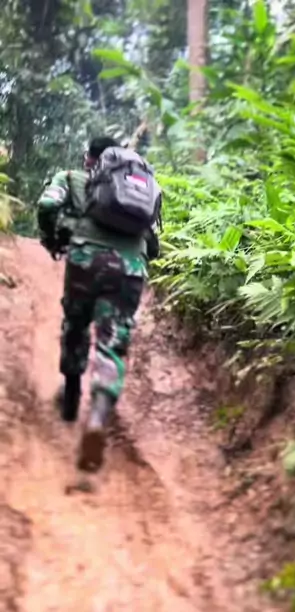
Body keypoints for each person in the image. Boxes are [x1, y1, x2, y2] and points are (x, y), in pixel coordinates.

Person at [37, 136, 160, 472]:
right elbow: (154, 244)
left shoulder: (73, 178)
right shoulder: (139, 186)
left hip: (85, 260)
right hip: (130, 269)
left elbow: (47, 205)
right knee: (113, 340)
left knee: (76, 324)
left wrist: (53, 238)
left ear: (90, 159)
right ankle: (97, 417)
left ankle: (71, 397)